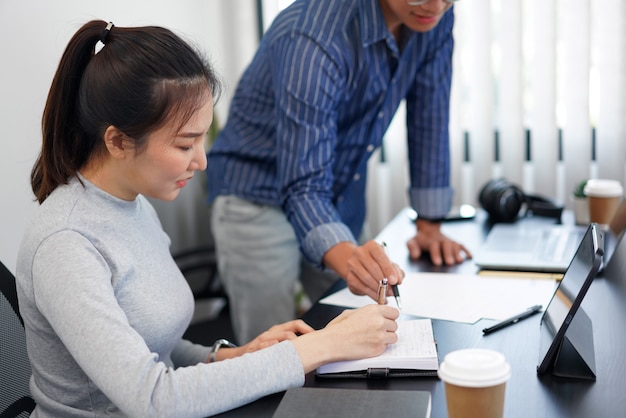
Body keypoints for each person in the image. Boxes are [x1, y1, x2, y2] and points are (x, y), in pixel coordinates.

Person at [16, 20, 400, 418]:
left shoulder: (131, 204)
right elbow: (153, 399)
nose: (201, 161)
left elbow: (152, 344)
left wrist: (231, 355)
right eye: (185, 144)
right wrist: (320, 347)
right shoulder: (66, 243)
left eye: (202, 139)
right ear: (117, 141)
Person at [207, 0, 472, 344]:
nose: (436, 6)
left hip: (336, 196)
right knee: (271, 352)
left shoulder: (433, 15)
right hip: (256, 196)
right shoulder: (314, 35)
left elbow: (430, 119)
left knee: (359, 334)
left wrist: (429, 224)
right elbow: (303, 185)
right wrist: (353, 262)